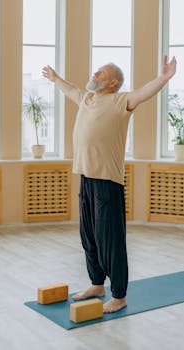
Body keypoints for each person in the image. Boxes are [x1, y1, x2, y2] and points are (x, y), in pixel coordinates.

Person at [42, 56, 176, 313]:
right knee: (89, 236)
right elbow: (70, 89)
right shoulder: (87, 98)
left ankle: (119, 295)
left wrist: (164, 78)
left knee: (110, 240)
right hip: (86, 176)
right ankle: (97, 284)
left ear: (113, 82)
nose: (95, 73)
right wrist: (56, 78)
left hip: (107, 181)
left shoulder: (120, 101)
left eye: (101, 73)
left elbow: (143, 93)